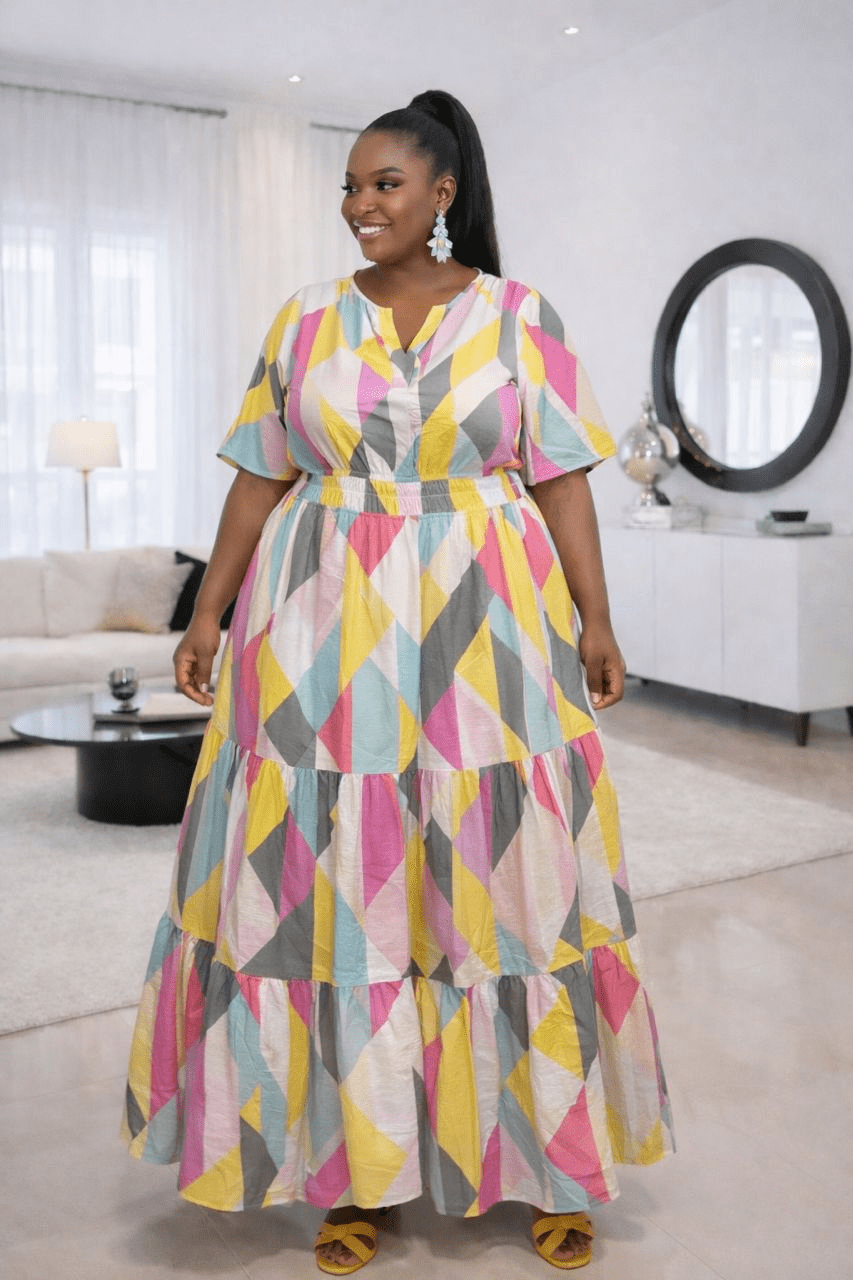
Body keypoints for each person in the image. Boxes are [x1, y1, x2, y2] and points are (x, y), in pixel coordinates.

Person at [122, 89, 673, 1274]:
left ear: (441, 194)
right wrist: (209, 608)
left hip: (488, 622)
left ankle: (549, 1159)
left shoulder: (520, 316)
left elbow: (561, 475)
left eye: (383, 183)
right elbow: (259, 474)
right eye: (349, 185)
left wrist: (596, 616)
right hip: (320, 622)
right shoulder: (305, 319)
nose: (358, 204)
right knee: (334, 886)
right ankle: (350, 1172)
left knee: (507, 878)